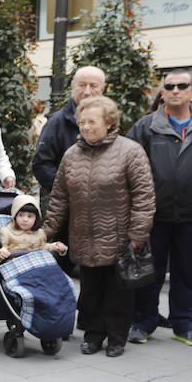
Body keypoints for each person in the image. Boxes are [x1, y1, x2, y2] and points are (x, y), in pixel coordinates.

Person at [42, 96, 155, 358]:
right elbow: (59, 197)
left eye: (92, 122)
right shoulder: (72, 154)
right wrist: (46, 231)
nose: (86, 127)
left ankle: (117, 337)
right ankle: (93, 335)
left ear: (109, 122)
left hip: (119, 237)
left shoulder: (130, 151)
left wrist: (138, 232)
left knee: (118, 293)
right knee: (90, 292)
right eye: (82, 122)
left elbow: (144, 195)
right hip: (83, 235)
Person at [127, 69, 192, 346]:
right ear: (162, 91)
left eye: (182, 85)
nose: (176, 90)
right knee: (148, 273)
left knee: (187, 272)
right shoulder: (145, 127)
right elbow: (127, 168)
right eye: (170, 86)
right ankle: (144, 321)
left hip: (189, 216)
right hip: (153, 216)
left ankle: (184, 323)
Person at [32, 65, 106, 197]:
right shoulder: (57, 122)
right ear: (73, 86)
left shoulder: (110, 121)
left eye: (93, 86)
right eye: (82, 85)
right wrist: (68, 191)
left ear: (102, 89)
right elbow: (41, 164)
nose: (87, 91)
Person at [0, 195, 68, 262]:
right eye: (21, 215)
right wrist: (1, 252)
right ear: (15, 216)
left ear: (36, 218)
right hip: (16, 266)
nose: (25, 219)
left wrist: (55, 246)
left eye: (30, 216)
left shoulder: (39, 233)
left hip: (36, 265)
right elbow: (3, 247)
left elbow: (43, 247)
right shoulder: (6, 232)